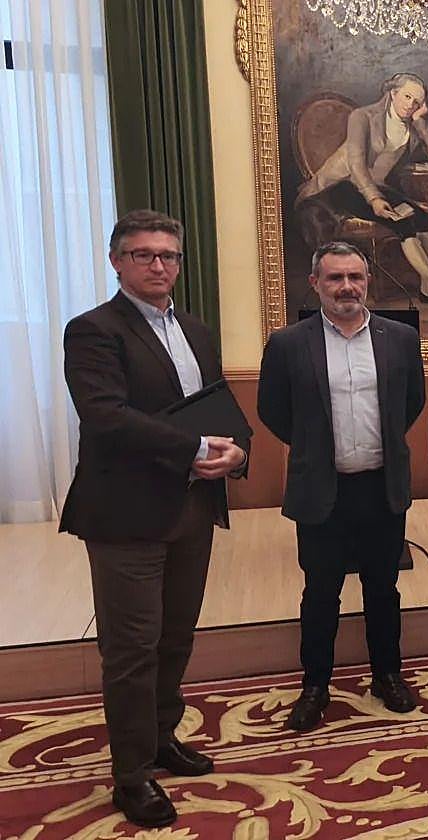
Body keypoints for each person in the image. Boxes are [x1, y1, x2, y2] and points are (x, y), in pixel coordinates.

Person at [61, 209, 249, 828]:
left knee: (175, 637)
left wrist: (237, 452)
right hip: (127, 515)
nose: (158, 265)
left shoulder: (195, 329)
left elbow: (215, 404)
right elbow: (106, 417)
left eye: (168, 255)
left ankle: (163, 736)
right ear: (117, 262)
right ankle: (132, 774)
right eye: (143, 254)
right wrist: (195, 449)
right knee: (131, 650)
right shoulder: (93, 331)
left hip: (191, 507)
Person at [257, 241, 426, 732]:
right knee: (320, 592)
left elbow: (411, 402)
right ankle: (315, 686)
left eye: (355, 277)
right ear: (315, 283)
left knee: (383, 589)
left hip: (381, 487)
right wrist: (312, 446)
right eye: (335, 278)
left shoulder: (400, 339)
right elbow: (272, 410)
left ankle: (387, 675)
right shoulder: (288, 343)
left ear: (368, 281)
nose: (347, 287)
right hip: (321, 489)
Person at [296, 72, 428, 313]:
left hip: (374, 186)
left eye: (417, 101)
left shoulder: (410, 125)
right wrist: (374, 199)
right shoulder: (362, 116)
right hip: (340, 187)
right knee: (403, 223)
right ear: (393, 93)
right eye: (407, 96)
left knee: (423, 219)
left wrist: (420, 121)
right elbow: (356, 164)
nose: (411, 104)